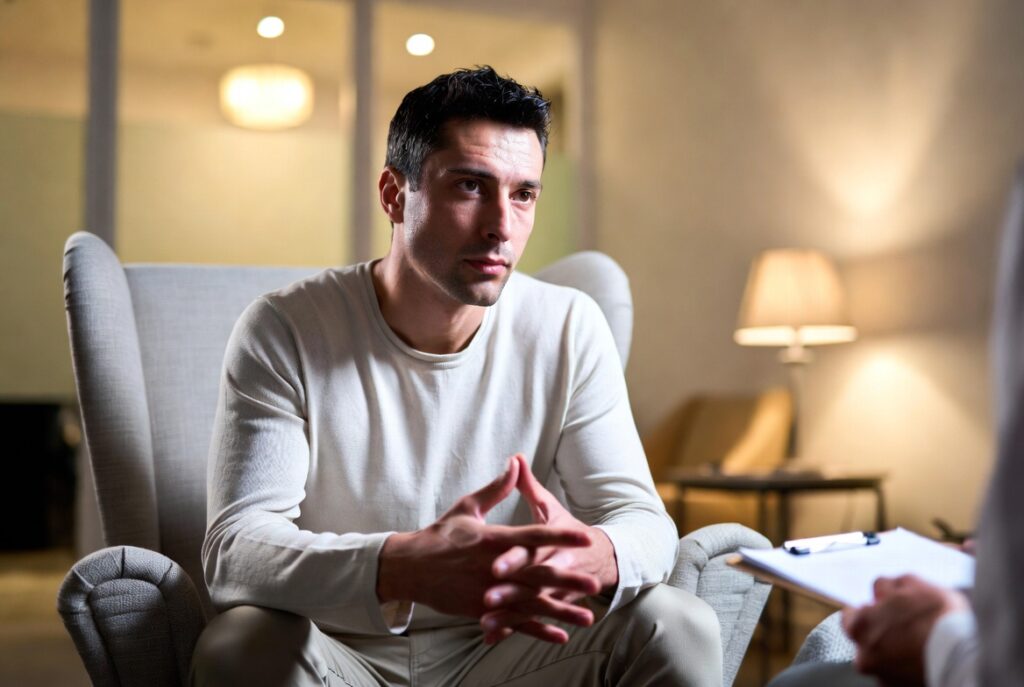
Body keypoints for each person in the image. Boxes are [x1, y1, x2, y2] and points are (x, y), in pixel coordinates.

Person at [190, 66, 721, 686]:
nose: (501, 225)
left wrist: (593, 555)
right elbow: (235, 552)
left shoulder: (569, 325)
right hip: (336, 653)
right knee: (238, 645)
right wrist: (403, 567)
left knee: (680, 625)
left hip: (511, 652)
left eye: (523, 195)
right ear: (394, 194)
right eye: (471, 186)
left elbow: (642, 519)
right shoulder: (284, 328)